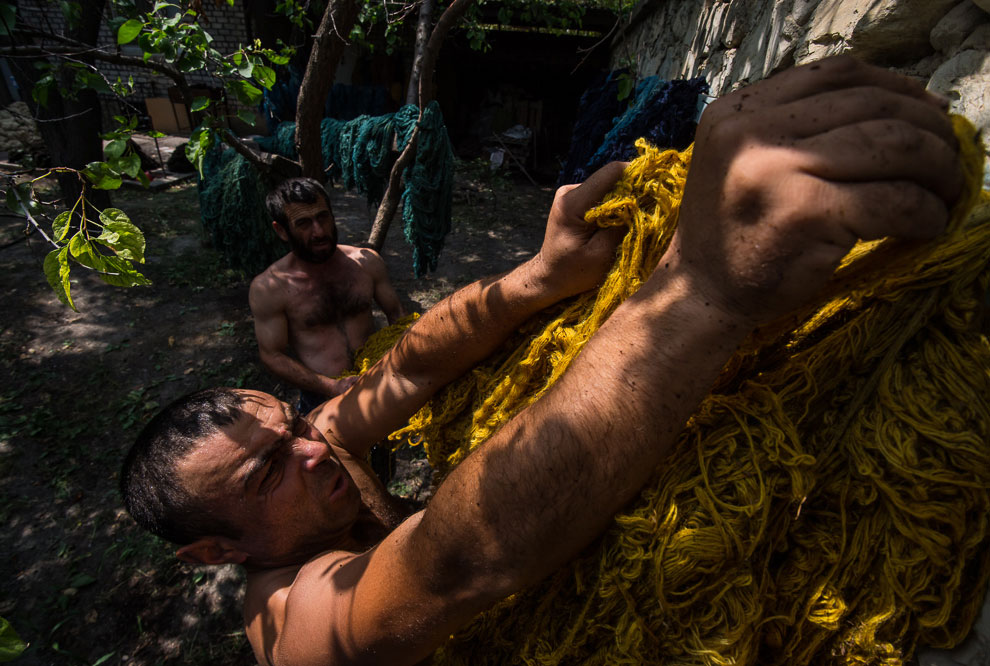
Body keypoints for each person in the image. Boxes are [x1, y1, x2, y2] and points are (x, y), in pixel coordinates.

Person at [120, 57, 962, 666]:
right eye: (267, 474)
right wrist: (699, 290)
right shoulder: (296, 627)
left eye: (290, 427)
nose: (309, 447)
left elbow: (406, 369)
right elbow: (457, 564)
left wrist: (539, 277)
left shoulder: (316, 451)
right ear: (214, 554)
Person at [249, 177, 406, 413]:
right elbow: (272, 354)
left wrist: (406, 361)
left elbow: (397, 314)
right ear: (281, 230)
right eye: (303, 223)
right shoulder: (270, 288)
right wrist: (331, 386)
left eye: (322, 217)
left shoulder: (366, 263)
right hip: (323, 399)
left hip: (379, 381)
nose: (319, 231)